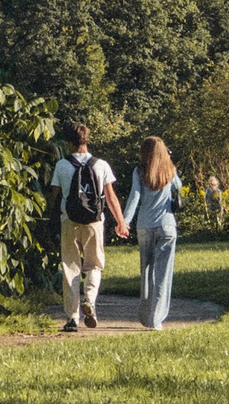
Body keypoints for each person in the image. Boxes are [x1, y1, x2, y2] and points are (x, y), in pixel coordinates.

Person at [52, 124, 129, 331]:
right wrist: (121, 221)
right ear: (87, 139)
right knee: (94, 265)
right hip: (94, 221)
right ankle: (90, 301)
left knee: (70, 267)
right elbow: (110, 196)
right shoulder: (101, 165)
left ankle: (72, 319)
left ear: (69, 142)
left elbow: (54, 194)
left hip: (69, 220)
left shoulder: (62, 165)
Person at [127, 136, 183, 331]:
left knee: (147, 272)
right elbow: (179, 187)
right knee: (163, 274)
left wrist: (125, 222)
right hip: (167, 225)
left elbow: (134, 197)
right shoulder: (170, 170)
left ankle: (145, 314)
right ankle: (156, 319)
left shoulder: (139, 171)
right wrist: (169, 160)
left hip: (144, 225)